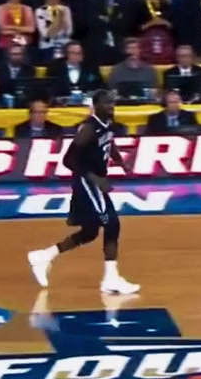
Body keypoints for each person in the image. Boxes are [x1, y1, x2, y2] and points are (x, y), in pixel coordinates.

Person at [26, 90, 139, 295]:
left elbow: (109, 143)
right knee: (112, 224)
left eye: (112, 103)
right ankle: (111, 279)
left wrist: (120, 162)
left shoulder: (107, 124)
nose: (111, 106)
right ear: (96, 106)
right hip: (88, 183)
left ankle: (44, 256)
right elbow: (68, 160)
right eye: (107, 103)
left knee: (90, 232)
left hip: (94, 182)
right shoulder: (89, 128)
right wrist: (96, 179)